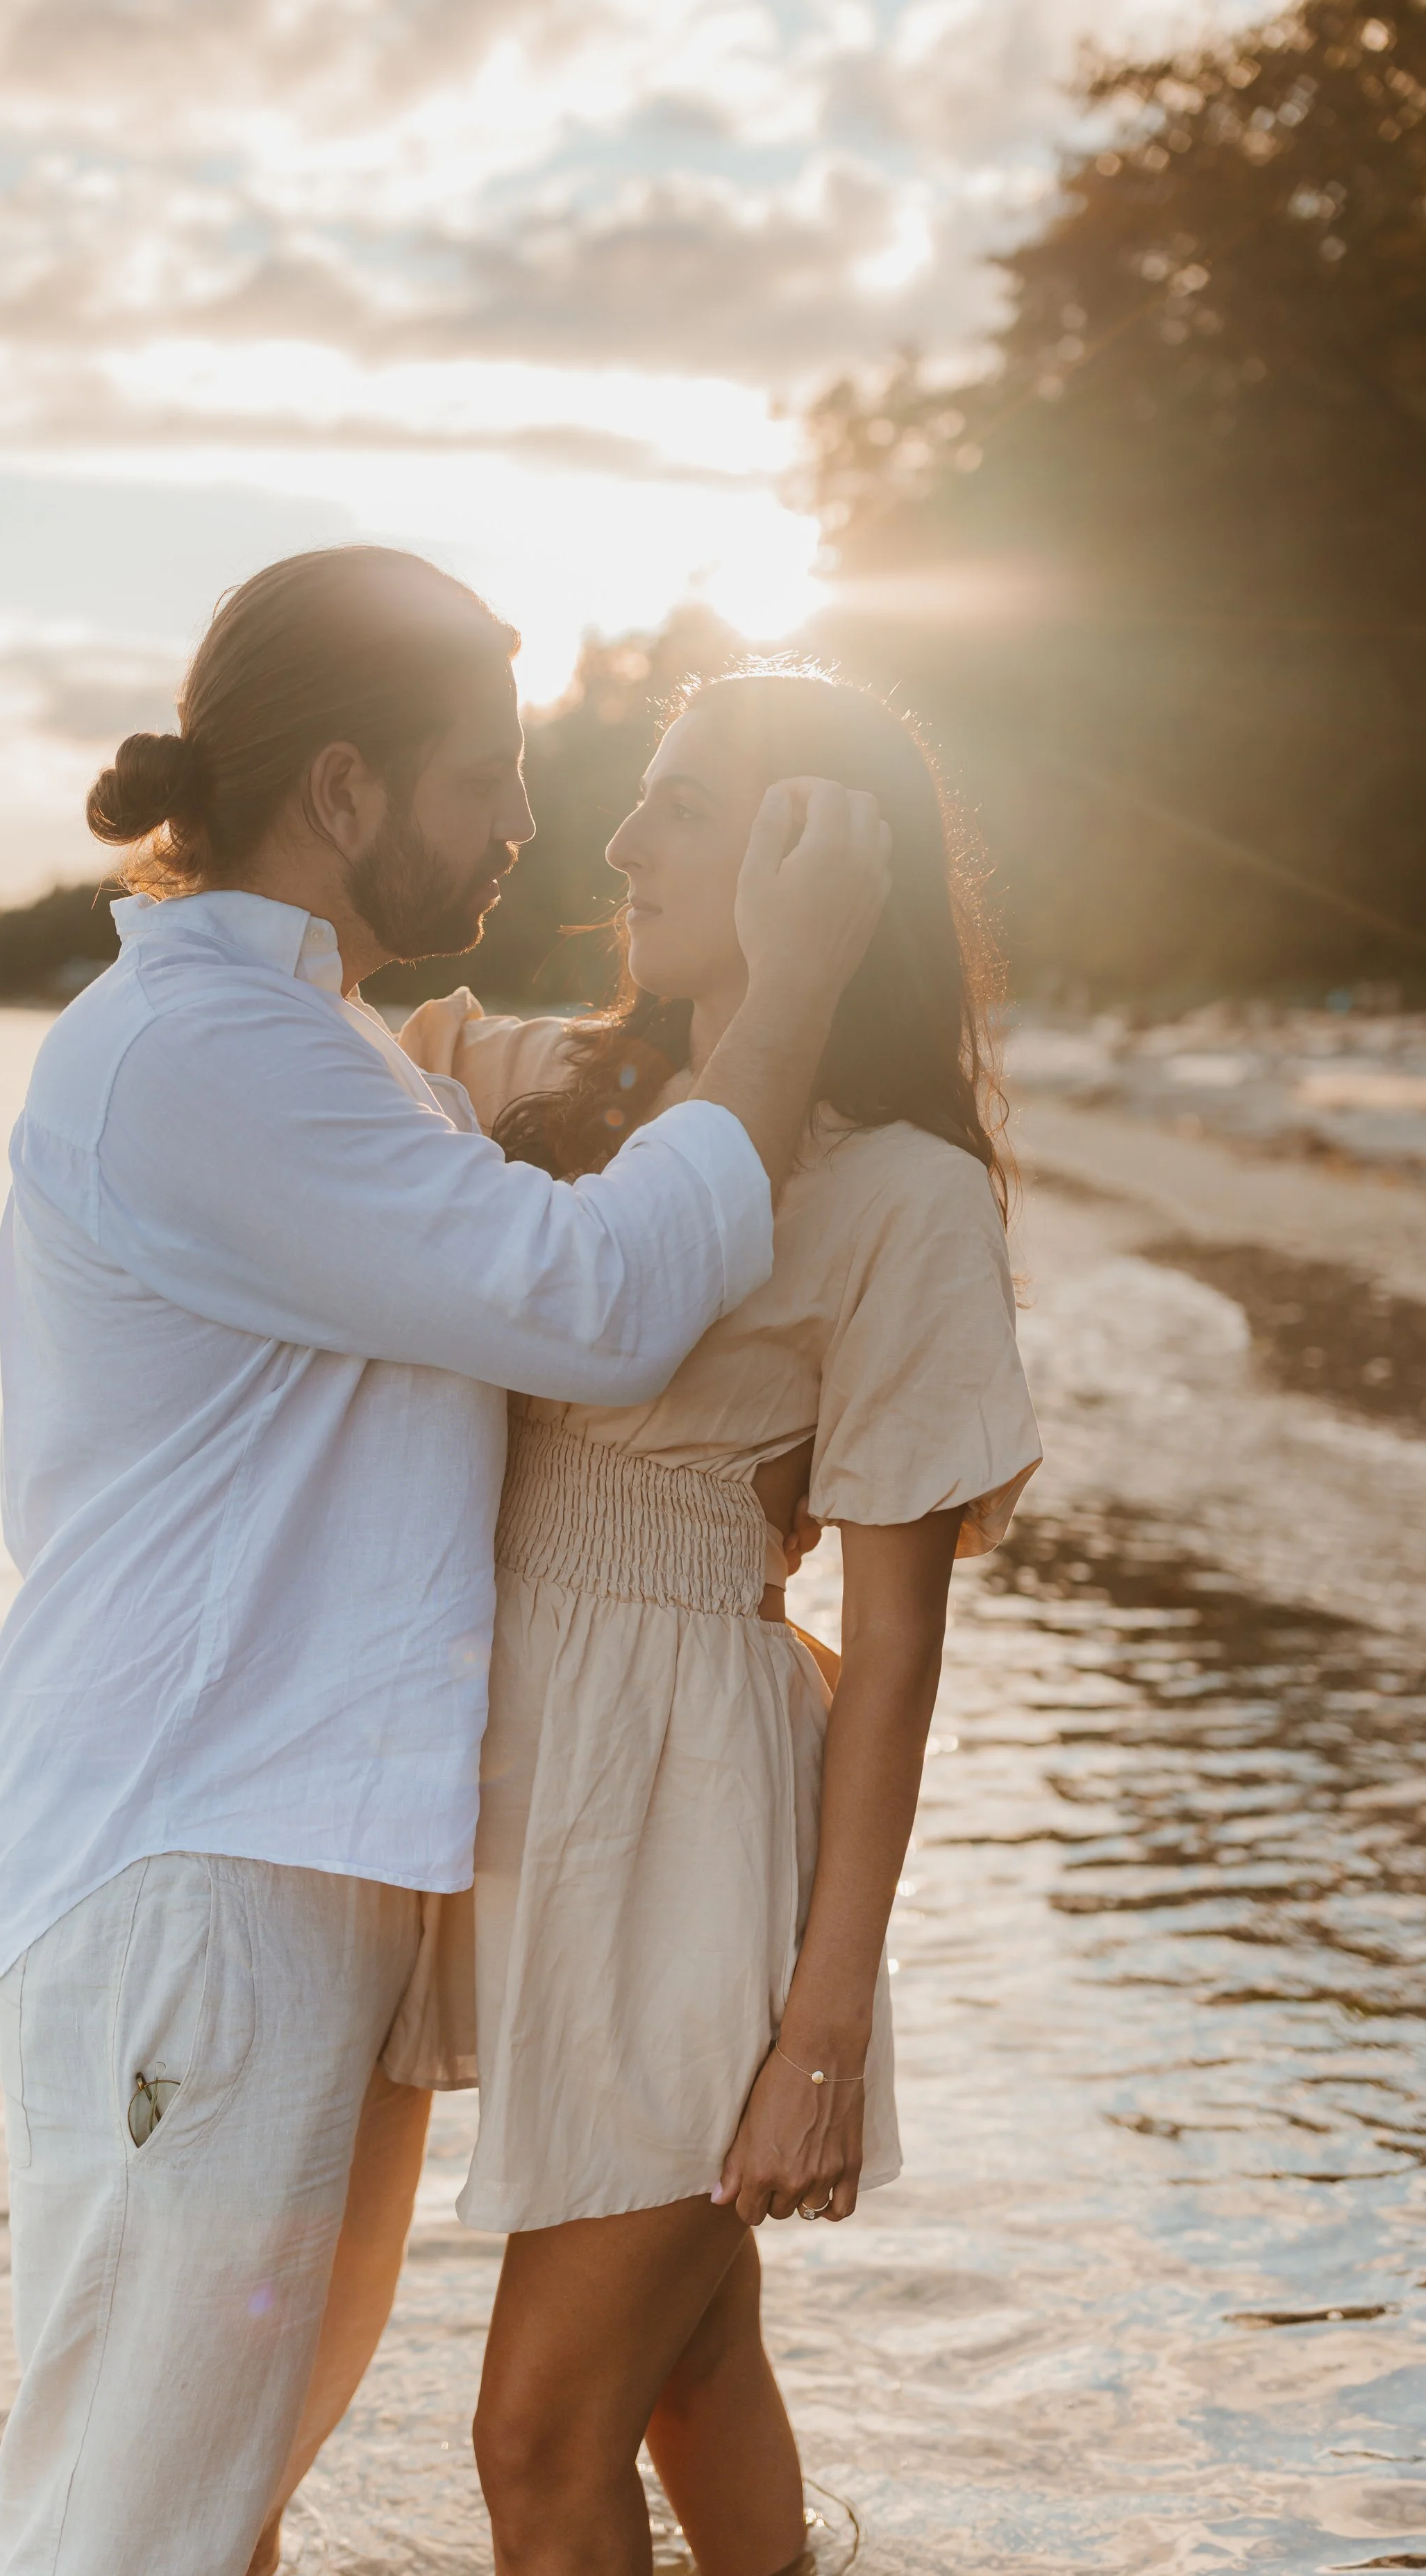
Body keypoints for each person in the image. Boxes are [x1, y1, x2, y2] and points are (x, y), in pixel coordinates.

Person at [0, 549, 891, 2576]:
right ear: (344, 789)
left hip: (284, 1861)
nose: (529, 824)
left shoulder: (323, 1042)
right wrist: (799, 981)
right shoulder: (216, 1056)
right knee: (136, 2518)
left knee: (221, 2480)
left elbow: (504, 1193)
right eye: (483, 777)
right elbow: (587, 1301)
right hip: (195, 1867)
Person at [396, 665, 1042, 2576]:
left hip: (694, 1853)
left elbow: (896, 1654)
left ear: (810, 856)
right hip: (515, 1833)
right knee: (687, 2377)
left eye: (683, 800)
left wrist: (817, 2032)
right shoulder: (535, 1085)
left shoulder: (903, 1200)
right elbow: (294, 1078)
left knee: (538, 2434)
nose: (613, 841)